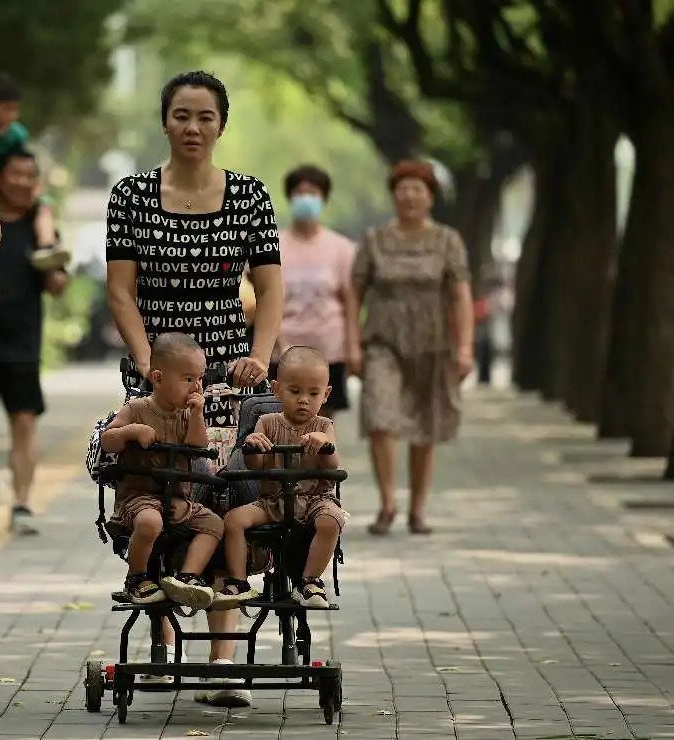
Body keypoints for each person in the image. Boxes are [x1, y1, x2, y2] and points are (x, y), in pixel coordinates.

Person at [105, 69, 283, 708]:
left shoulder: (249, 197)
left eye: (205, 117)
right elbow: (120, 288)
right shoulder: (130, 195)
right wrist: (143, 358)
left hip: (229, 380)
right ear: (165, 121)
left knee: (221, 492)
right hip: (154, 376)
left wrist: (260, 358)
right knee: (158, 493)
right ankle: (158, 631)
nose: (193, 128)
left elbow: (268, 287)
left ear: (221, 125)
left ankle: (223, 655)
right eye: (182, 115)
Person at [348, 160, 474, 536]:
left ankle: (418, 509)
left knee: (425, 426)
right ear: (393, 196)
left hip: (434, 344)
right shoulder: (374, 240)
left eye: (418, 189)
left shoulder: (448, 241)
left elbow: (461, 295)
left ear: (431, 197)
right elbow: (354, 294)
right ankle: (388, 502)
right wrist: (352, 344)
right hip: (383, 342)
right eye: (403, 189)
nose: (410, 196)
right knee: (380, 419)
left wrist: (465, 347)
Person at [0, 148, 68, 535]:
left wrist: (54, 269)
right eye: (16, 174)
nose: (23, 182)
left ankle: (21, 504)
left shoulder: (40, 225)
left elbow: (56, 286)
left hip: (22, 341)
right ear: (0, 178)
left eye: (30, 176)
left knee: (24, 422)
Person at [214, 347, 345, 611]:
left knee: (332, 520)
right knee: (233, 520)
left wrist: (325, 446)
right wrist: (253, 445)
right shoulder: (267, 422)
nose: (304, 400)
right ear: (276, 389)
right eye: (294, 392)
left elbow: (333, 467)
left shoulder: (324, 426)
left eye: (313, 393)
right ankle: (238, 581)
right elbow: (256, 466)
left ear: (326, 394)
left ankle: (310, 581)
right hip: (273, 500)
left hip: (314, 499)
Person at [100, 333, 224, 607]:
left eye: (200, 379)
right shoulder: (136, 408)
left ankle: (186, 577)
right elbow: (108, 441)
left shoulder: (186, 414)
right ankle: (137, 577)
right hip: (138, 499)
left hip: (177, 499)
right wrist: (131, 431)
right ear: (157, 378)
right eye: (188, 379)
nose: (196, 387)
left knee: (214, 524)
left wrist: (197, 415)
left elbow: (198, 445)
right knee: (150, 522)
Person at [0, 75, 67, 300]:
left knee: (44, 204)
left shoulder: (17, 133)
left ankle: (46, 247)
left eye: (14, 110)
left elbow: (21, 160)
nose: (11, 116)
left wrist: (31, 186)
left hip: (3, 186)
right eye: (6, 109)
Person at [271, 165, 358, 418]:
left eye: (313, 192)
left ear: (324, 198)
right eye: (299, 192)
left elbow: (350, 301)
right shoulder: (274, 245)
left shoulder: (341, 248)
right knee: (280, 421)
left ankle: (321, 459)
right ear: (290, 197)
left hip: (329, 349)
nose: (306, 198)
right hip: (283, 349)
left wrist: (353, 348)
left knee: (323, 422)